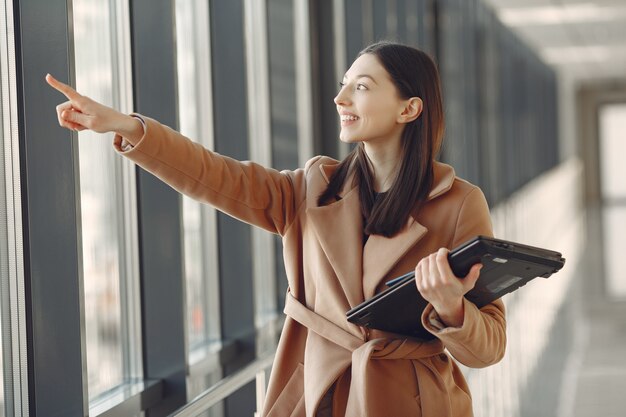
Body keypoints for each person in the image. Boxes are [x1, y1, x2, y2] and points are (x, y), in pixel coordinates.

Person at [47, 41, 506, 417]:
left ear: (409, 108)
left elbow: (489, 347)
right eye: (343, 85)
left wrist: (451, 310)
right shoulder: (311, 188)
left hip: (415, 403)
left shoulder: (459, 204)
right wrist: (126, 125)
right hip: (317, 395)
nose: (341, 98)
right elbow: (213, 174)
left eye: (361, 87)